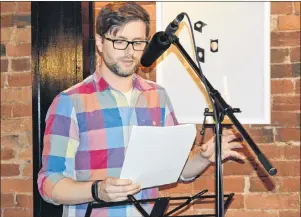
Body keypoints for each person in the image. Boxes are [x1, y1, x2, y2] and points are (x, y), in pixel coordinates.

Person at [37, 2, 245, 217]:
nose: (129, 52)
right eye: (119, 41)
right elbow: (49, 183)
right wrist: (97, 190)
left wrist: (203, 157)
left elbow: (177, 169)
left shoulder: (158, 97)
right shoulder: (69, 102)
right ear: (100, 42)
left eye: (137, 42)